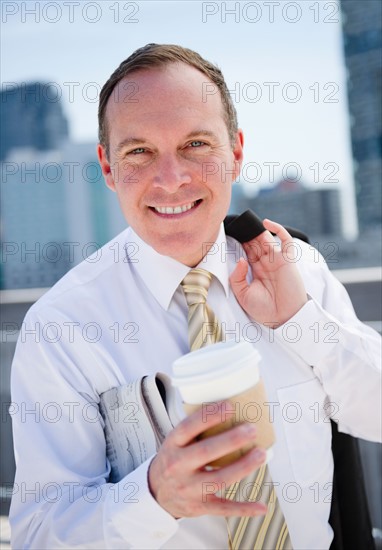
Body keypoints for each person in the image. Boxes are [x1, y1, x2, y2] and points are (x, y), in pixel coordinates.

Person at [9, 44, 381, 549]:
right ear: (108, 166)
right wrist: (154, 495)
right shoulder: (61, 327)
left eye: (197, 144)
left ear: (236, 151)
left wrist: (299, 321)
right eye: (139, 151)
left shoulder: (296, 270)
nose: (171, 179)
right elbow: (39, 535)